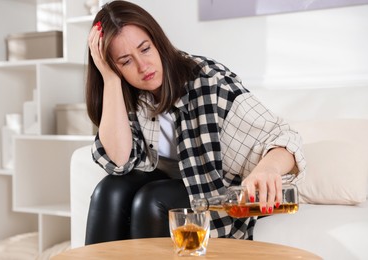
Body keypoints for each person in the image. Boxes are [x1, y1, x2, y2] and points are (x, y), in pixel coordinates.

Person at [84, 0, 306, 245]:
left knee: (152, 198)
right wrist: (111, 79)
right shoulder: (129, 93)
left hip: (214, 194)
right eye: (125, 61)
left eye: (145, 49)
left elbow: (284, 136)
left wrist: (268, 169)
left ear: (157, 42)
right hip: (174, 184)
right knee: (109, 190)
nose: (142, 66)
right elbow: (119, 160)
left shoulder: (210, 82)